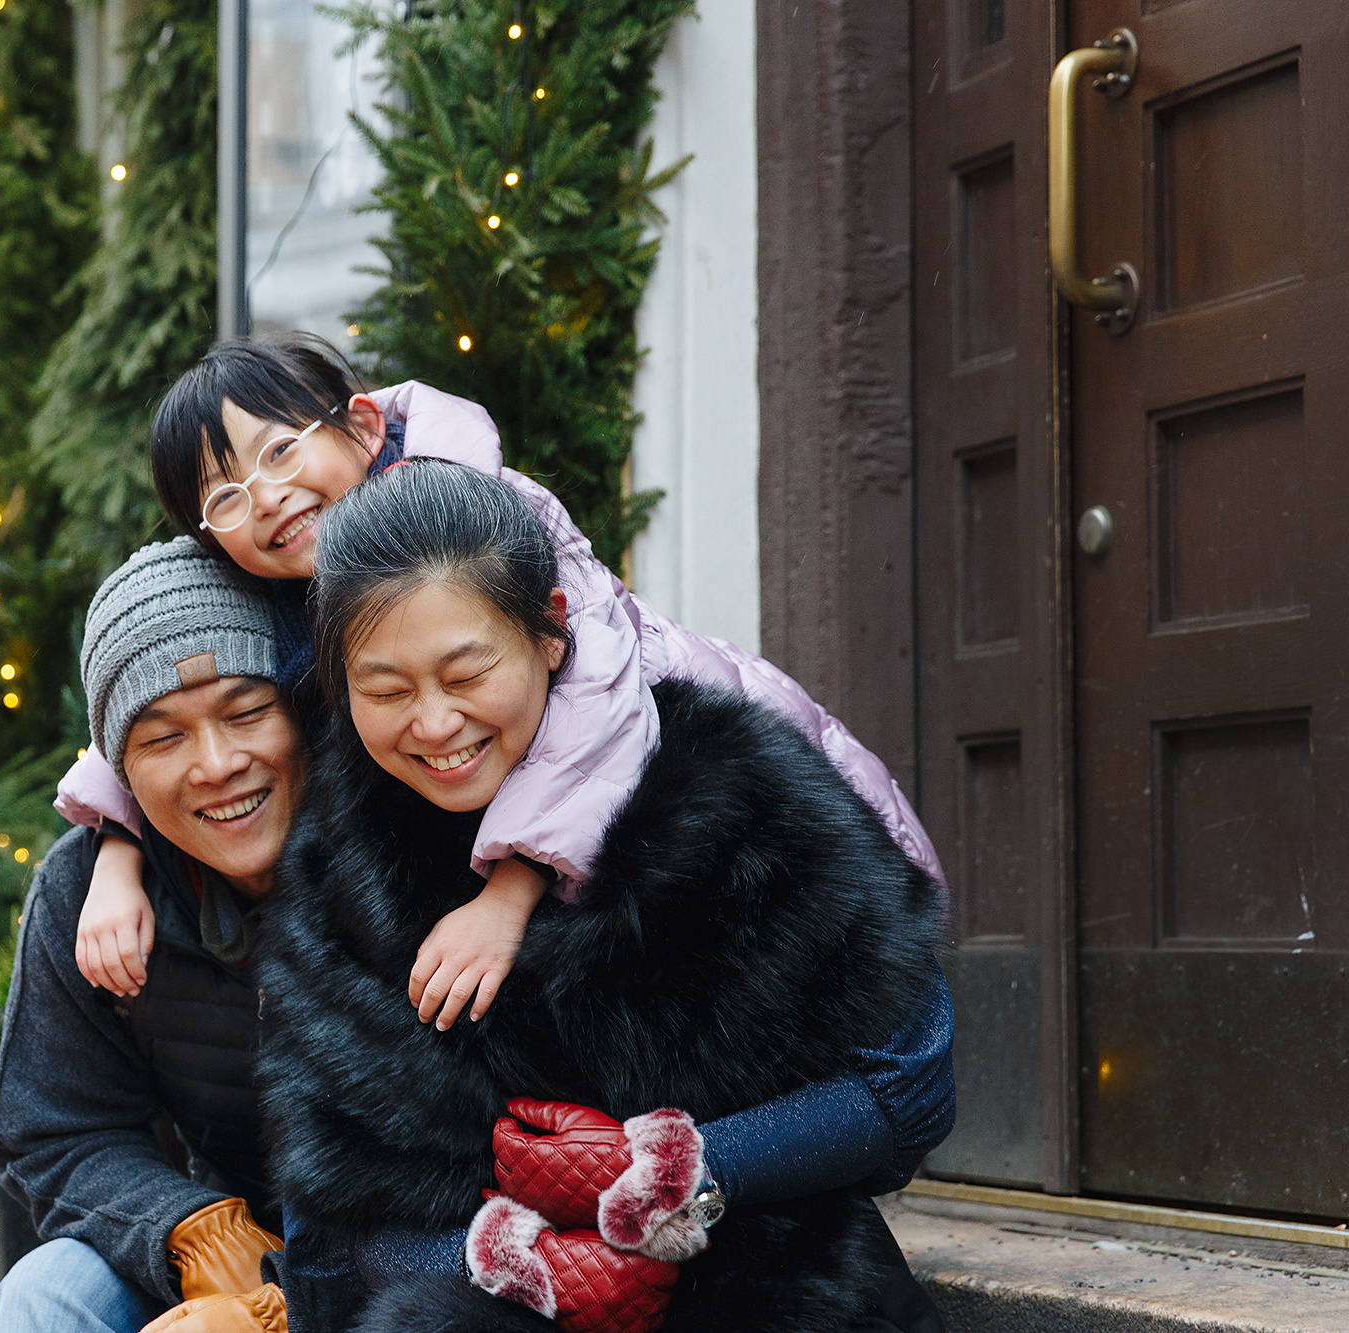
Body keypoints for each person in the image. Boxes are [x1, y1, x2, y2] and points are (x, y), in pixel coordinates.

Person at [60, 339, 943, 1038]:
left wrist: (509, 892)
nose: (268, 497)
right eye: (224, 497)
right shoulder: (291, 574)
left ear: (362, 427)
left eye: (283, 449)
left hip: (710, 758)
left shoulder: (483, 519)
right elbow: (147, 696)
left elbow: (597, 699)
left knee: (847, 966)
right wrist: (117, 853)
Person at [254, 461, 951, 1333]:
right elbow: (340, 1218)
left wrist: (676, 1168)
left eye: (466, 673)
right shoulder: (344, 866)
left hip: (767, 1272)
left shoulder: (725, 781)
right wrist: (521, 1260)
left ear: (550, 632)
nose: (433, 724)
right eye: (386, 690)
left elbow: (908, 1086)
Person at [0, 539, 296, 1333]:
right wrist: (194, 1230)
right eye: (163, 737)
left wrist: (288, 1300)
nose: (219, 763)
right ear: (119, 768)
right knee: (45, 1293)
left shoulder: (396, 852)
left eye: (247, 710)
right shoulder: (81, 887)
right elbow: (58, 1128)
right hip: (217, 1234)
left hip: (413, 1252)